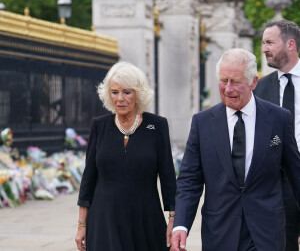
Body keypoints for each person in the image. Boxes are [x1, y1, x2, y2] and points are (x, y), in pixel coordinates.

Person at [171, 48, 300, 251]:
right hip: (220, 232)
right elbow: (189, 180)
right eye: (223, 81)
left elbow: (296, 174)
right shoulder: (202, 123)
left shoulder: (279, 119)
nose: (228, 89)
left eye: (236, 82)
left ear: (253, 83)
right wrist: (180, 225)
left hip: (267, 233)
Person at [75, 61, 176, 251]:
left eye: (126, 92)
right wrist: (82, 225)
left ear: (138, 94)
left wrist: (173, 221)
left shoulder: (157, 126)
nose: (120, 98)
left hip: (145, 219)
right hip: (104, 220)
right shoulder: (99, 126)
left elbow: (168, 179)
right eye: (115, 92)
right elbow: (88, 180)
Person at [254, 19, 300, 251]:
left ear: (290, 44)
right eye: (263, 43)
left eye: (269, 42)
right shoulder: (259, 89)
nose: (264, 49)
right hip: (276, 185)